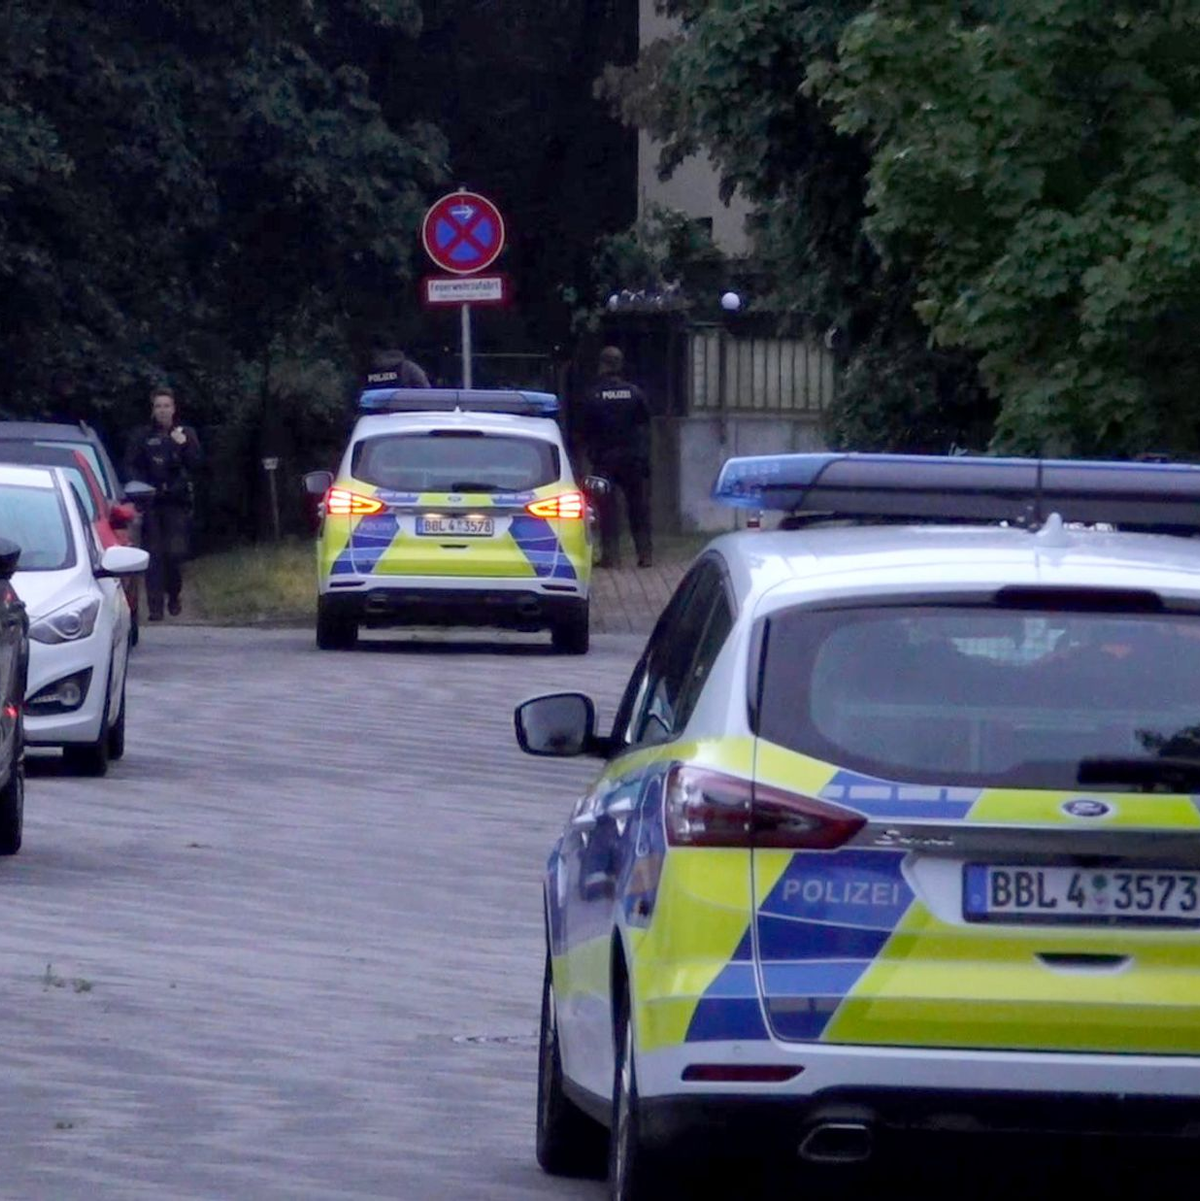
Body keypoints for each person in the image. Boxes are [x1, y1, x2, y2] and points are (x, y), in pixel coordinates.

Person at [124, 386, 202, 620]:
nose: (162, 411)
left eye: (166, 406)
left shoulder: (185, 433)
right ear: (153, 409)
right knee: (153, 555)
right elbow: (130, 466)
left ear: (174, 408)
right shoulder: (143, 436)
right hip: (151, 504)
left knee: (175, 554)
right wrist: (140, 488)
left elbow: (197, 465)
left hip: (177, 504)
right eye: (158, 406)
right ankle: (155, 608)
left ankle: (174, 594)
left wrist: (183, 446)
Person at [578, 346, 653, 568]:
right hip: (633, 458)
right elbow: (645, 425)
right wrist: (644, 456)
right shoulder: (634, 392)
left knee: (607, 508)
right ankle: (645, 554)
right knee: (638, 507)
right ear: (619, 365)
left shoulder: (593, 395)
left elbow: (584, 430)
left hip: (604, 460)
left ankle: (611, 556)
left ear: (602, 365)